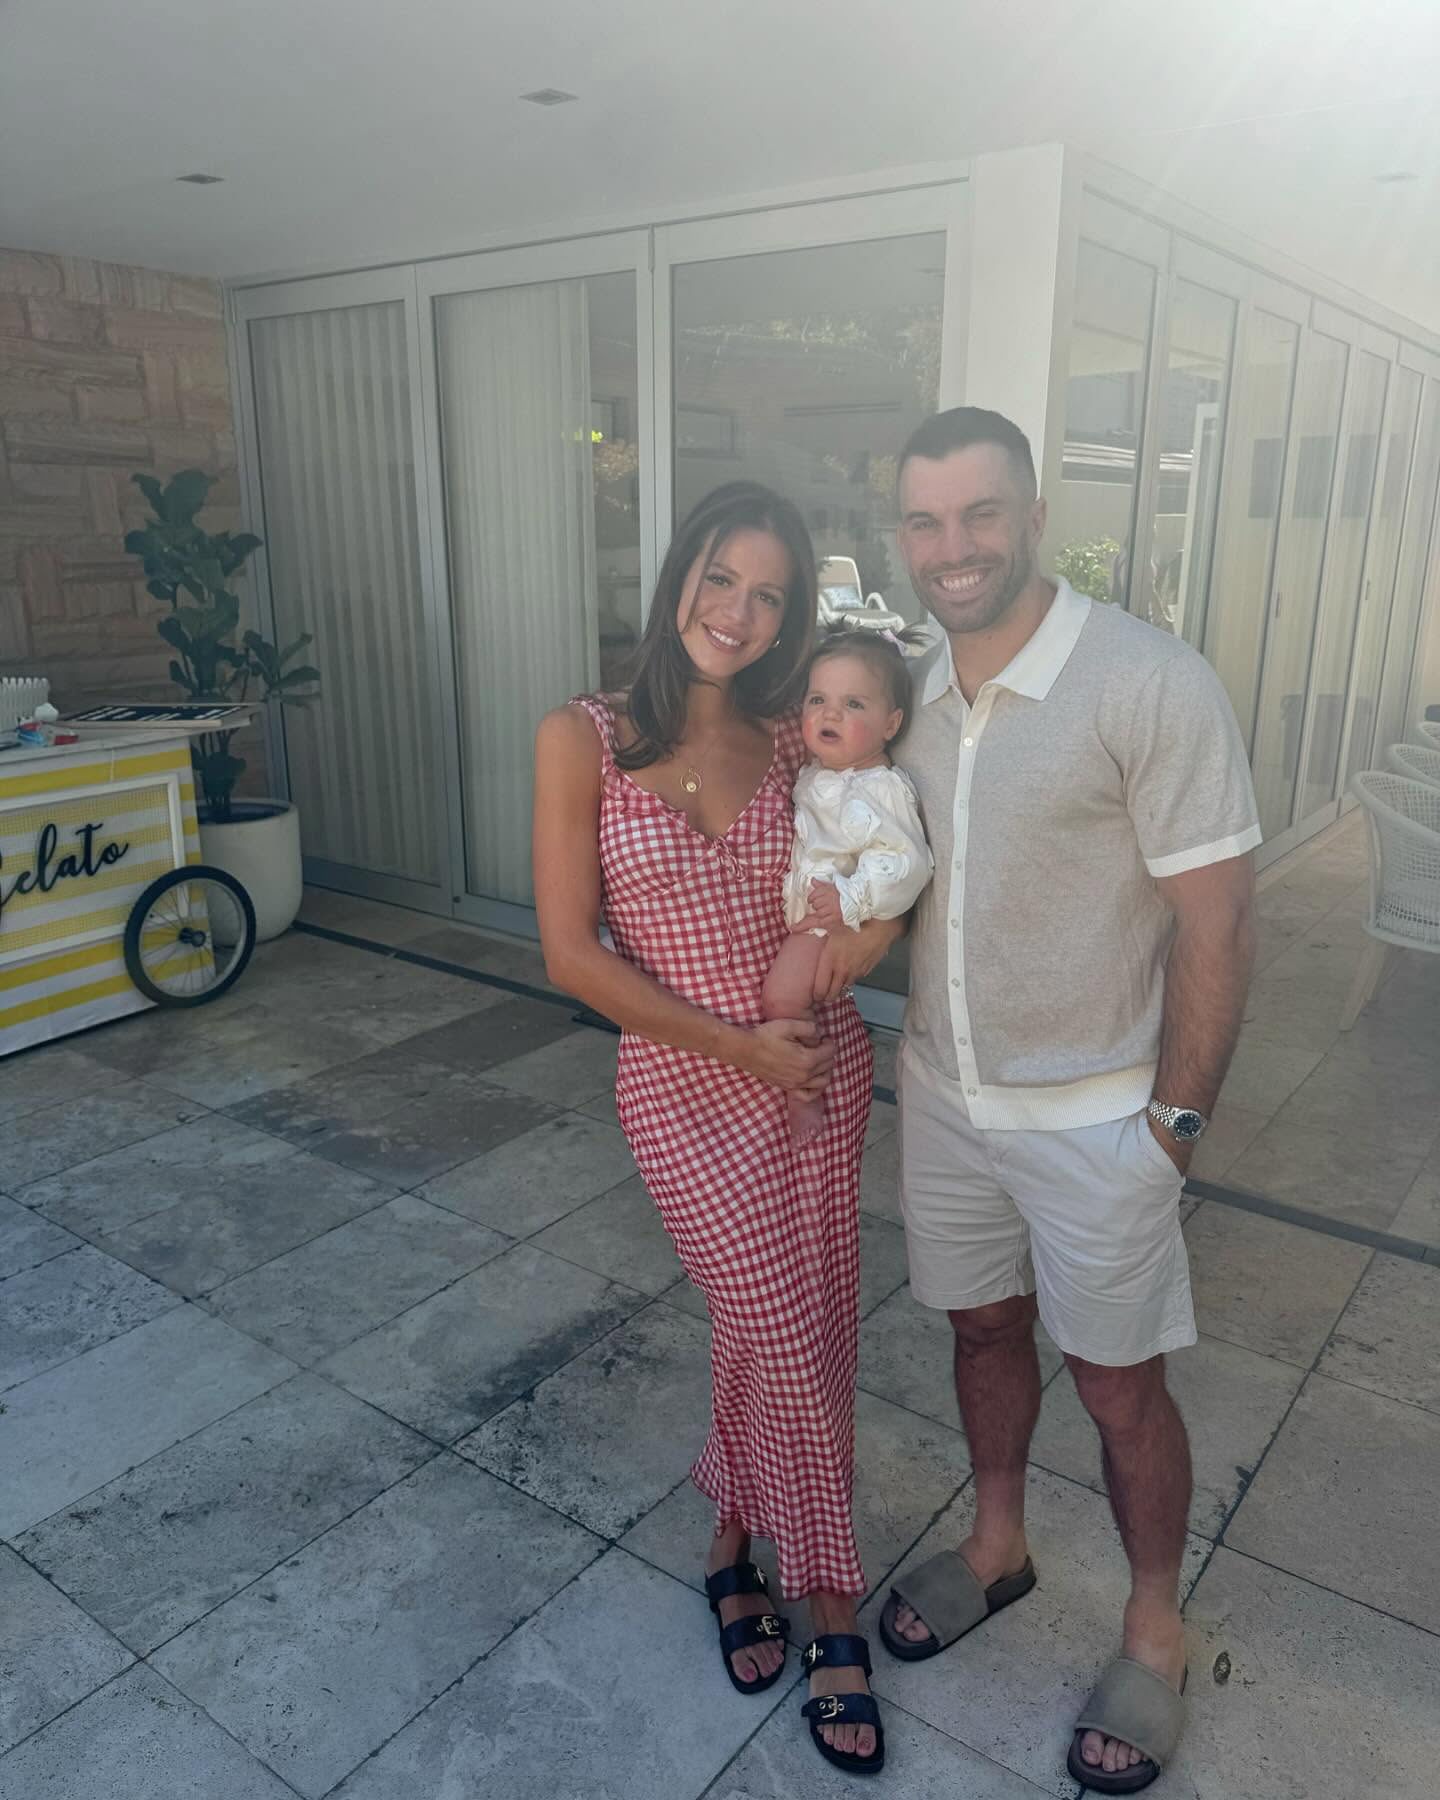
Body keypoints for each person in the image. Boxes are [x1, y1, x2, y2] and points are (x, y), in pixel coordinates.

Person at [875, 407, 1259, 1794]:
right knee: (982, 1330)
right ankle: (997, 1544)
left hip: (1100, 1118)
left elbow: (1217, 925)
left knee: (1117, 1382)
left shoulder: (1146, 681)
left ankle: (1154, 1630)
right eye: (924, 520)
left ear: (1034, 515)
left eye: (979, 514)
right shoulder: (910, 692)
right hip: (946, 1093)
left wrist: (1176, 1127)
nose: (952, 546)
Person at [533, 481, 894, 1776]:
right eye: (721, 578)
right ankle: (835, 1598)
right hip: (688, 1090)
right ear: (679, 573)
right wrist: (736, 1043)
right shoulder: (581, 735)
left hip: (816, 1082)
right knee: (787, 1339)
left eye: (771, 595)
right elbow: (573, 957)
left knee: (788, 1327)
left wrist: (863, 949)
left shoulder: (798, 740)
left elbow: (885, 865)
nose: (739, 613)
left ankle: (734, 1548)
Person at [765, 625, 933, 1146]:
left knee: (781, 998)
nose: (829, 714)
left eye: (853, 703)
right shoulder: (822, 772)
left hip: (827, 921)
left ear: (891, 724)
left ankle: (804, 1092)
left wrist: (852, 898)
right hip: (812, 914)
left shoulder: (879, 789)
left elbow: (907, 862)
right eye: (818, 699)